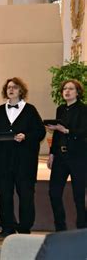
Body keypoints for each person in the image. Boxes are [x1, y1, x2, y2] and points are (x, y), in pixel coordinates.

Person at [0, 78, 46, 238]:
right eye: (8, 87)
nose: (11, 89)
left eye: (15, 87)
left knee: (25, 195)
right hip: (3, 161)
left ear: (21, 91)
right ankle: (7, 227)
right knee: (4, 195)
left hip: (24, 162)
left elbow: (40, 132)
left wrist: (25, 136)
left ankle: (25, 227)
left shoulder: (30, 110)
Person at [46, 79, 86, 231]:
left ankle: (82, 229)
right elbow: (57, 135)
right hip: (61, 157)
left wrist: (66, 131)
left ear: (77, 92)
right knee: (54, 193)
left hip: (78, 157)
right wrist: (51, 154)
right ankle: (60, 228)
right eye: (65, 89)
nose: (67, 91)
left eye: (71, 89)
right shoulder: (60, 109)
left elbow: (84, 132)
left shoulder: (83, 109)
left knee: (79, 195)